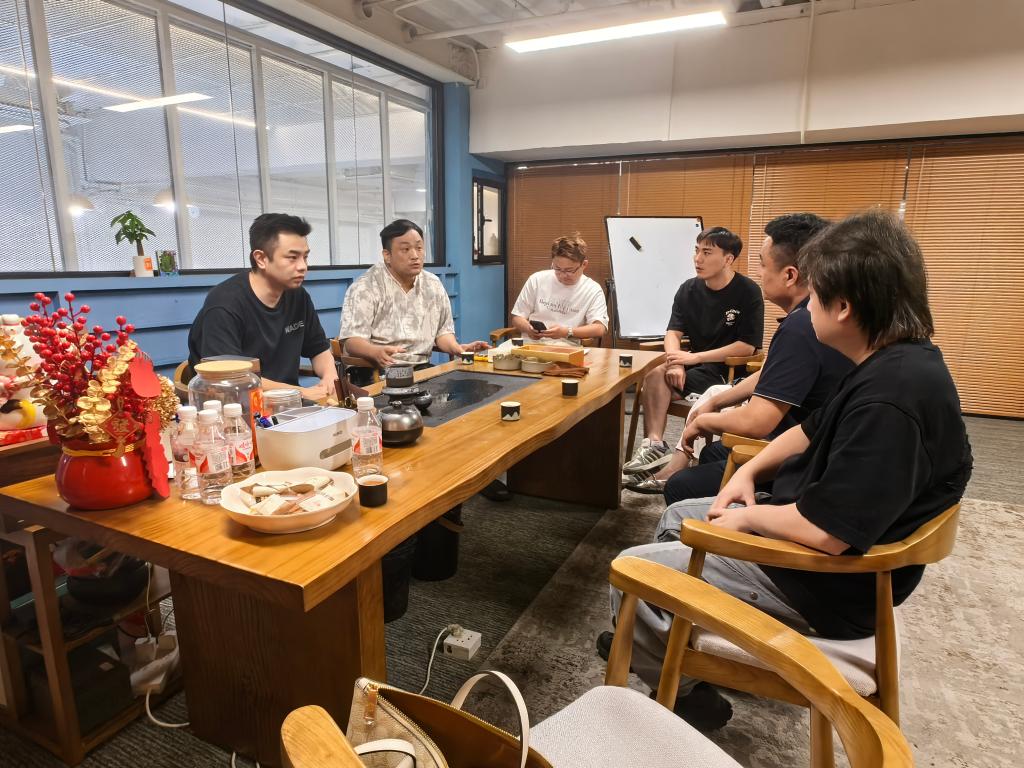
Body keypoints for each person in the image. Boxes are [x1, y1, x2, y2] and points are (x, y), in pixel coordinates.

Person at [601, 210, 972, 732]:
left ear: (843, 306)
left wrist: (750, 519)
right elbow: (811, 429)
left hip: (824, 586)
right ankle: (674, 644)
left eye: (815, 294)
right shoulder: (896, 361)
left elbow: (826, 532)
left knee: (633, 571)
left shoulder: (891, 401)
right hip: (821, 551)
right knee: (683, 514)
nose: (806, 305)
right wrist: (748, 474)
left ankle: (683, 690)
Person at [625, 214, 854, 498]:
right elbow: (770, 372)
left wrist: (704, 419)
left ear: (790, 275)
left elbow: (757, 420)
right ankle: (655, 445)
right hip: (806, 439)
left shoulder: (800, 325)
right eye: (697, 251)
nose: (759, 272)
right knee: (709, 449)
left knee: (680, 486)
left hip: (801, 456)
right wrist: (710, 396)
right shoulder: (809, 316)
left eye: (762, 264)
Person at [622, 226, 764, 476]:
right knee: (656, 374)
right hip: (694, 367)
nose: (698, 259)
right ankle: (655, 445)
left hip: (729, 373)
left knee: (661, 385)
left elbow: (746, 346)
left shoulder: (748, 291)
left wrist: (693, 357)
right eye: (696, 251)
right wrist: (676, 362)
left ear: (728, 259)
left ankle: (675, 462)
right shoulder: (688, 289)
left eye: (707, 253)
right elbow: (673, 333)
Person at [187, 213, 336, 401]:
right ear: (261, 259)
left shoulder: (298, 296)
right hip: (236, 406)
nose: (303, 266)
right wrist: (301, 392)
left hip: (288, 404)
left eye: (305, 257)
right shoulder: (225, 304)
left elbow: (318, 349)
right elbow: (231, 379)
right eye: (292, 258)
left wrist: (330, 377)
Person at [339, 219, 489, 371]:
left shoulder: (433, 284)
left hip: (419, 368)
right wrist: (375, 352)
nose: (415, 255)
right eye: (405, 249)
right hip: (374, 370)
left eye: (419, 248)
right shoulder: (365, 287)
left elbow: (443, 333)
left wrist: (457, 348)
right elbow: (352, 341)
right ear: (387, 255)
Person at [510, 233, 608, 346]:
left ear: (584, 265)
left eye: (569, 270)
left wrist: (567, 332)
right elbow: (517, 317)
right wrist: (528, 329)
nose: (562, 275)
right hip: (531, 345)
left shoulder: (592, 289)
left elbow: (600, 328)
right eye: (557, 268)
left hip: (567, 348)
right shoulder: (537, 279)